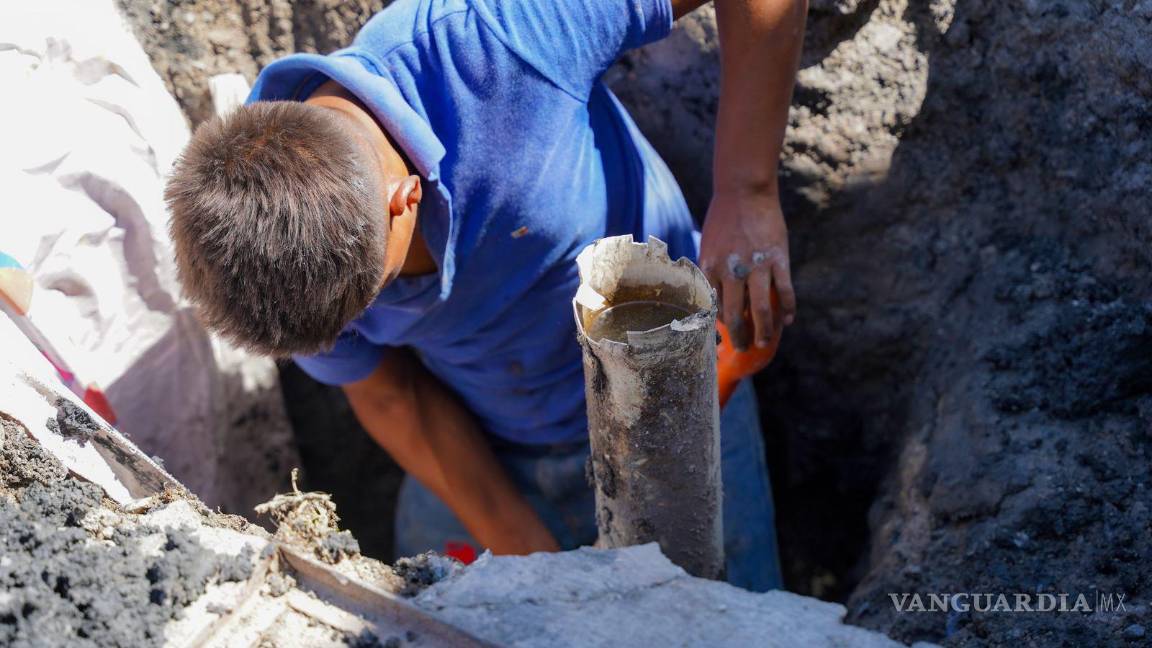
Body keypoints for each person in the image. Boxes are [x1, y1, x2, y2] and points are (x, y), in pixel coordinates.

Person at [165, 0, 805, 591]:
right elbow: (388, 393)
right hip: (486, 441)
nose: (364, 326)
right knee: (442, 610)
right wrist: (525, 546)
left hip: (677, 399)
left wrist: (746, 189)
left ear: (405, 200)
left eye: (374, 298)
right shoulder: (267, 248)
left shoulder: (499, 39)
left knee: (725, 618)